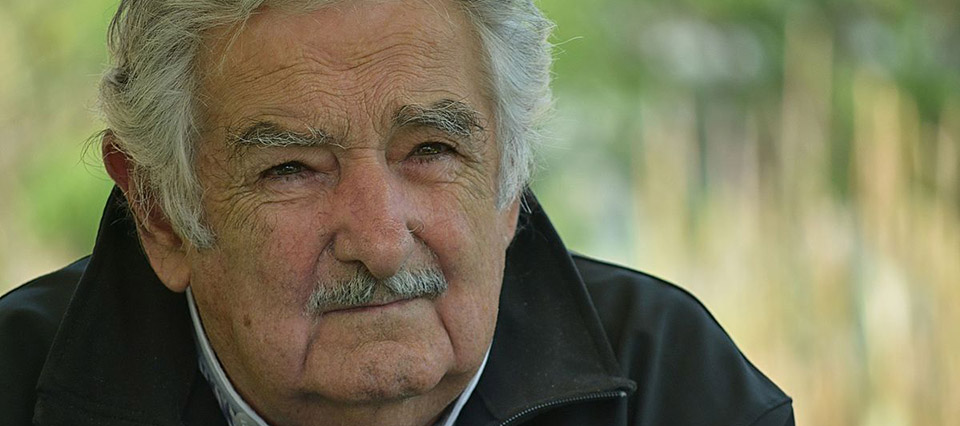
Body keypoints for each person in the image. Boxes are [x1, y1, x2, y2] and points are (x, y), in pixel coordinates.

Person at [0, 0, 794, 425]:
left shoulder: (676, 389)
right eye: (291, 169)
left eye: (431, 151)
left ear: (508, 181)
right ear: (160, 212)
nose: (381, 243)